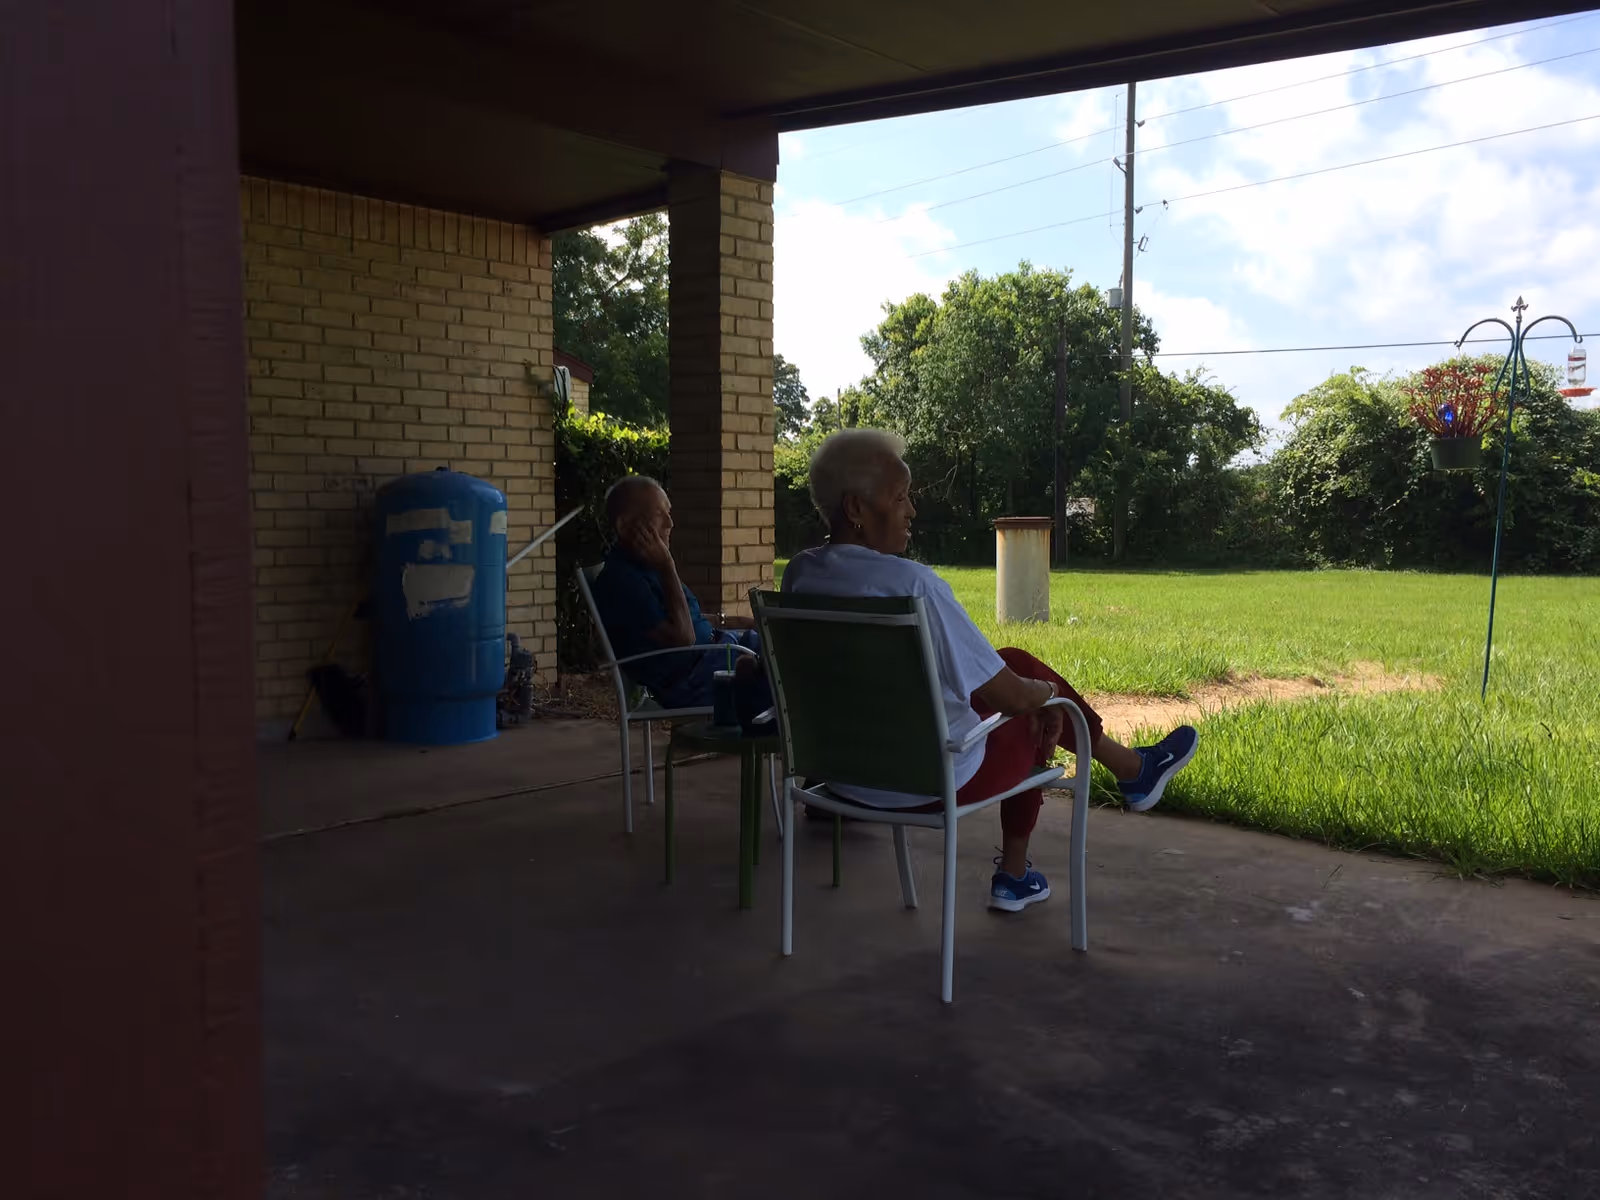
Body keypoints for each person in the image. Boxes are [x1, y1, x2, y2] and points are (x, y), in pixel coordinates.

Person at [782, 429, 1198, 914]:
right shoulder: (916, 586)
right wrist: (1047, 696)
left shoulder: (800, 573)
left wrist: (1031, 690)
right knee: (1037, 708)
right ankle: (1018, 871)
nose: (912, 511)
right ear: (855, 509)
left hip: (845, 780)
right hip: (933, 782)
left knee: (1014, 662)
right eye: (901, 498)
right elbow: (1013, 700)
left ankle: (1130, 768)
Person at [590, 475, 767, 715]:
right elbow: (684, 638)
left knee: (794, 642)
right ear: (625, 525)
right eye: (659, 514)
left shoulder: (644, 566)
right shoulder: (621, 582)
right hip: (700, 678)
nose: (670, 523)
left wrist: (745, 622)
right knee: (793, 667)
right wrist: (667, 565)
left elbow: (687, 617)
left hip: (720, 653)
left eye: (669, 512)